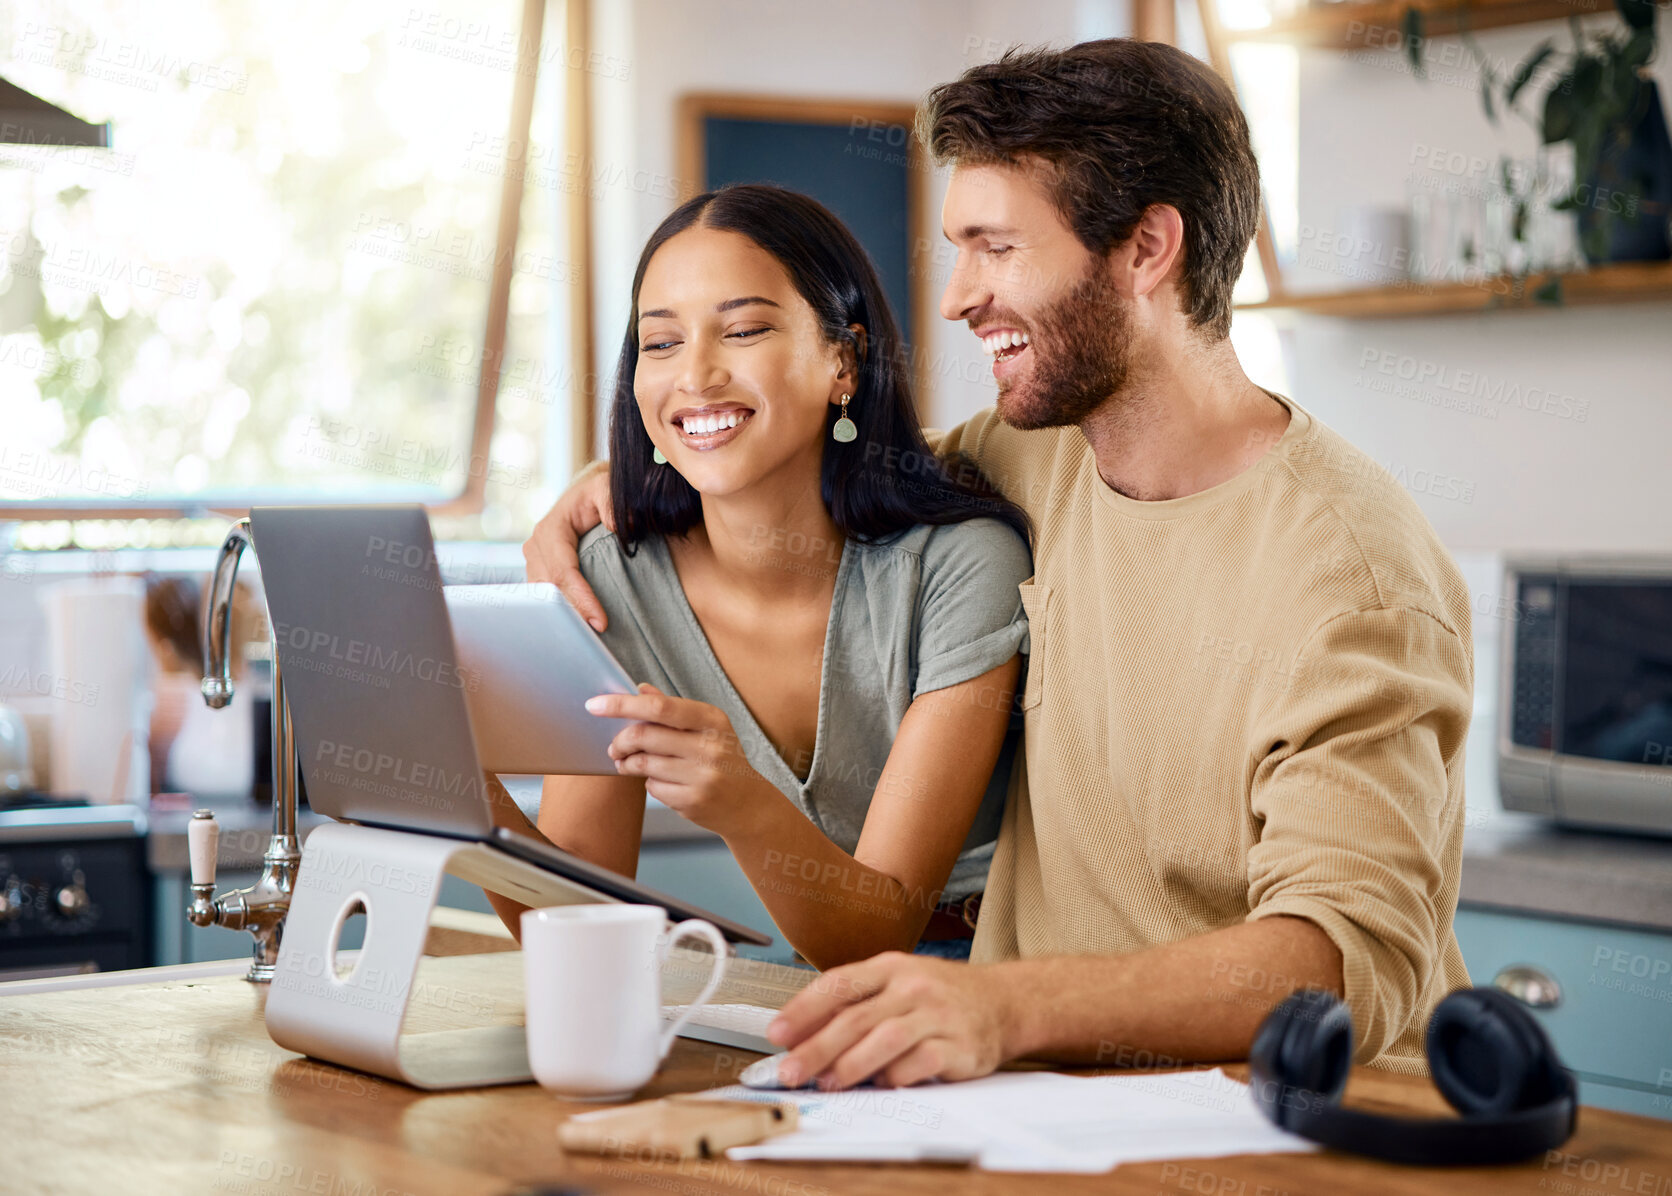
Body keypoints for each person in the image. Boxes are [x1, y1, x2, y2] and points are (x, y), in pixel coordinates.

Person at [522, 38, 1475, 1088]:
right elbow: (800, 469)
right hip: (1043, 1094)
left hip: (1287, 1120)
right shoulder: (1022, 457)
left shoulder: (1353, 579)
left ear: (1146, 248)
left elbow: (1334, 959)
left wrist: (1001, 1000)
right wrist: (597, 492)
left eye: (995, 247)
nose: (955, 296)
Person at [488, 184, 1033, 969]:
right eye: (662, 343)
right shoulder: (613, 580)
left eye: (742, 330)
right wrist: (461, 788)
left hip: (990, 982)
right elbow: (578, 927)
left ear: (843, 360)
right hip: (814, 985)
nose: (696, 377)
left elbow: (876, 933)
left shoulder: (958, 565)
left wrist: (740, 800)